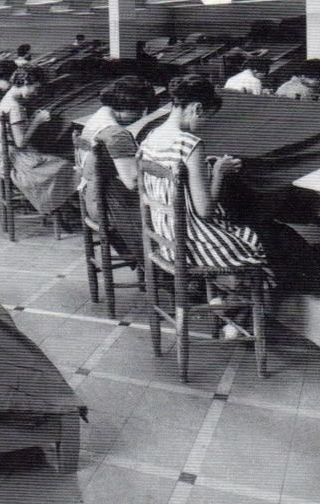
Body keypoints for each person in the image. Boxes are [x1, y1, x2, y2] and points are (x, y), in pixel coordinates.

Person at [138, 74, 271, 337]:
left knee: (240, 231)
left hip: (163, 237)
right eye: (206, 117)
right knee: (255, 241)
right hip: (190, 242)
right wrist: (219, 172)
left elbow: (173, 182)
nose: (203, 124)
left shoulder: (150, 137)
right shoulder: (190, 143)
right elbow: (205, 210)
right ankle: (232, 312)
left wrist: (203, 167)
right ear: (196, 108)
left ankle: (224, 306)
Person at [78, 76, 154, 265]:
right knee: (174, 213)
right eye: (141, 110)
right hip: (109, 205)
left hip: (91, 196)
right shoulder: (116, 133)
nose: (142, 116)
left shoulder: (97, 117)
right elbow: (133, 182)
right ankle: (166, 272)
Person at [0, 66, 77, 217]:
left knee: (56, 159)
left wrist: (32, 119)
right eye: (35, 88)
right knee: (68, 166)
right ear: (26, 81)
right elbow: (20, 143)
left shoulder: (8, 97)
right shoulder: (16, 107)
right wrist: (37, 121)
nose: (36, 92)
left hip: (4, 150)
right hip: (17, 157)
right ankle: (58, 207)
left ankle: (60, 204)